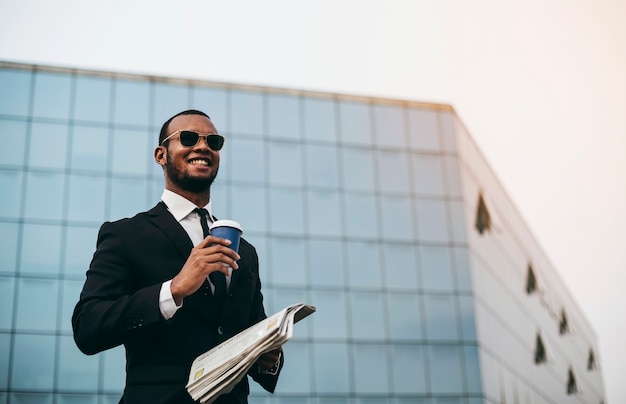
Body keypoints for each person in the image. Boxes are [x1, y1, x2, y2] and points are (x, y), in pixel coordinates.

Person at [72, 110, 283, 403]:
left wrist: (269, 357)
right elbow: (87, 327)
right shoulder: (125, 235)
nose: (202, 147)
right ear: (161, 154)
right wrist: (173, 290)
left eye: (213, 141)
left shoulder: (245, 252)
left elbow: (251, 337)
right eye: (188, 138)